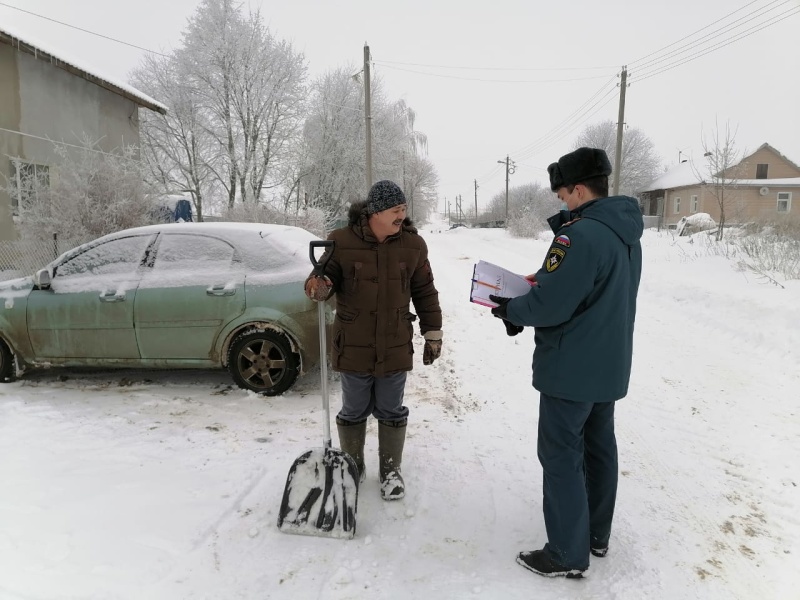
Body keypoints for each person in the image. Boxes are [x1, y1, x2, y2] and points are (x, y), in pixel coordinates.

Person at [489, 147, 643, 578]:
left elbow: (552, 305)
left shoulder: (578, 235)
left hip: (571, 369)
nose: (561, 201)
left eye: (563, 194)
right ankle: (595, 535)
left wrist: (510, 310)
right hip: (608, 366)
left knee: (560, 455)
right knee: (599, 450)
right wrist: (547, 282)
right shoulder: (625, 234)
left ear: (578, 188)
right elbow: (591, 288)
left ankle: (565, 554)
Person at [305, 180, 443, 501]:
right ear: (376, 212)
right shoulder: (340, 241)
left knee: (391, 408)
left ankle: (390, 469)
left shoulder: (413, 245)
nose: (402, 215)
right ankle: (353, 465)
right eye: (396, 210)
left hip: (394, 342)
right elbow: (321, 281)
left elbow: (425, 292)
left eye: (404, 209)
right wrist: (319, 285)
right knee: (354, 408)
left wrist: (432, 332)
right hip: (353, 343)